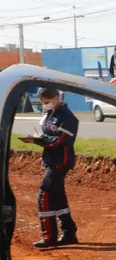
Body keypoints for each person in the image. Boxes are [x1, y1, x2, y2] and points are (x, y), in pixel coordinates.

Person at [22, 88, 79, 248]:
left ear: (56, 97)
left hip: (60, 161)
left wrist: (38, 141)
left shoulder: (67, 117)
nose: (45, 105)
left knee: (44, 194)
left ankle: (49, 237)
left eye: (47, 102)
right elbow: (49, 137)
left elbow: (60, 141)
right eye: (43, 103)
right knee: (58, 196)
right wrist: (37, 139)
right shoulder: (51, 114)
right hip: (51, 160)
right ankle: (69, 233)